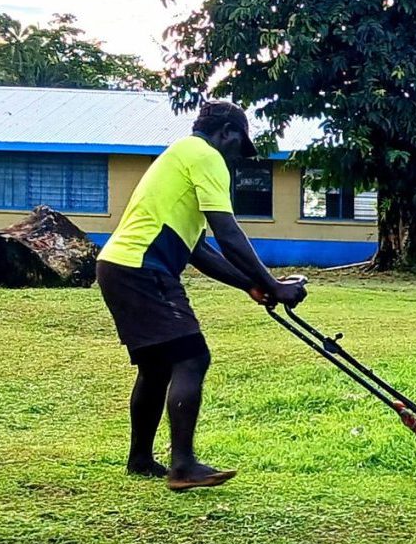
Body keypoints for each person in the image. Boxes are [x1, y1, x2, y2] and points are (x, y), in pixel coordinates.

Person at [95, 101, 306, 491]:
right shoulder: (205, 155)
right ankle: (184, 465)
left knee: (157, 366)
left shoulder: (180, 155)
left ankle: (141, 459)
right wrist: (275, 285)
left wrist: (251, 284)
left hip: (118, 265)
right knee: (191, 356)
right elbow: (227, 233)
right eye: (237, 145)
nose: (235, 157)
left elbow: (199, 250)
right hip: (143, 267)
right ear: (226, 132)